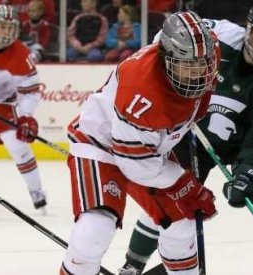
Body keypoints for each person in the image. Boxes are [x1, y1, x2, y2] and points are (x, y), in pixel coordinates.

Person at [119, 1, 253, 275]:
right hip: (196, 132)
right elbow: (166, 39)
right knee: (170, 197)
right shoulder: (217, 37)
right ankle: (132, 265)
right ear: (249, 28)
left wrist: (247, 171)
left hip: (250, 142)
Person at [59, 11, 220, 275]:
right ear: (166, 58)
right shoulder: (141, 89)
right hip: (102, 144)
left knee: (184, 222)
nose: (196, 74)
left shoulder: (209, 50)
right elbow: (134, 164)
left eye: (201, 64)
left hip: (150, 147)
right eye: (185, 65)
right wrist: (183, 182)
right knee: (95, 229)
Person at [0, 4, 47, 212]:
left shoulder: (21, 56)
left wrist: (25, 117)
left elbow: (31, 91)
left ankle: (37, 191)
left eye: (10, 28)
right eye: (2, 26)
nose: (6, 32)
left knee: (17, 145)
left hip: (0, 100)